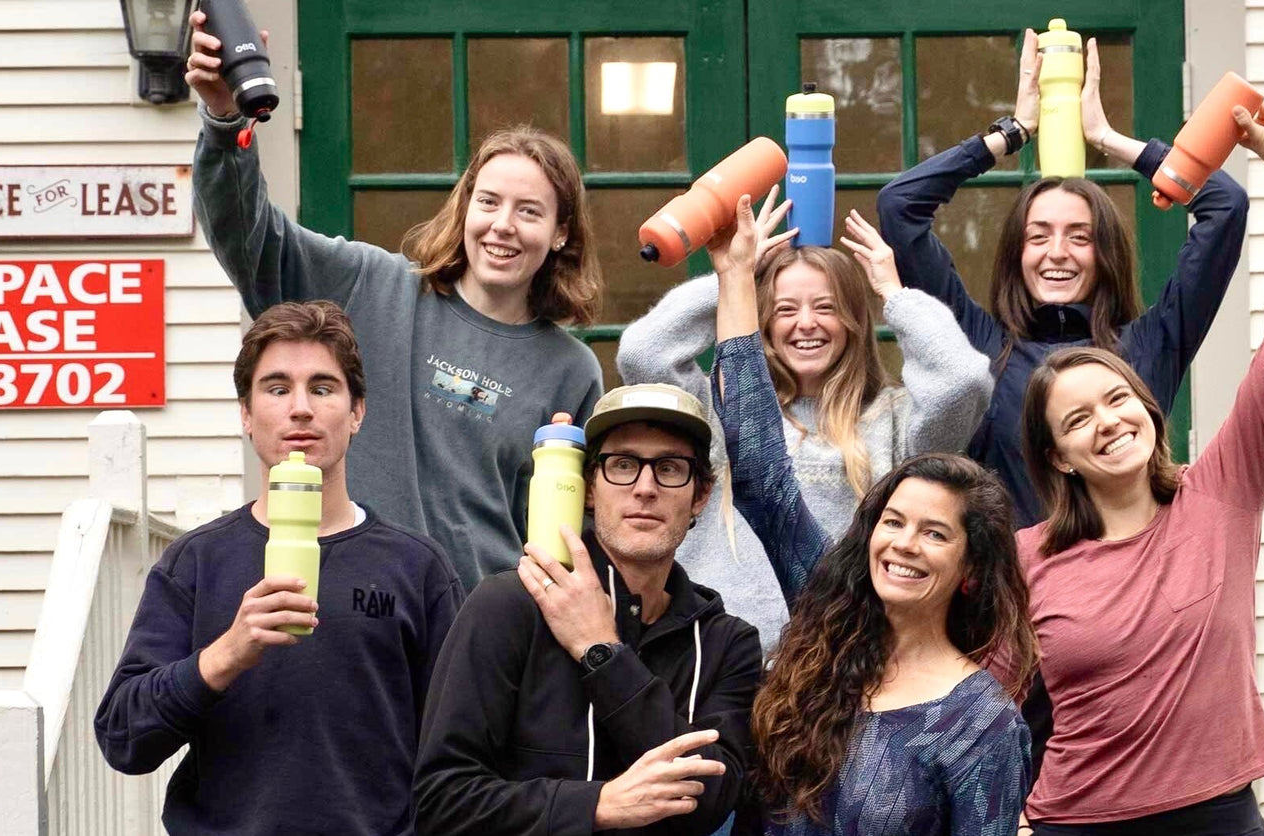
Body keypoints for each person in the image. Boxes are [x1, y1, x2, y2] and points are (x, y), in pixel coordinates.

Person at [185, 11, 604, 591]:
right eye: (488, 202)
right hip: (351, 607)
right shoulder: (369, 284)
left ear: (560, 234)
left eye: (529, 211)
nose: (502, 225)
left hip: (480, 624)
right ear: (465, 208)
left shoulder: (570, 371)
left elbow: (575, 536)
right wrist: (225, 121)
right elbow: (248, 238)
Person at [1007, 104, 1264, 835]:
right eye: (1077, 420)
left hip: (1219, 819)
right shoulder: (1025, 557)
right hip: (1074, 823)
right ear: (1057, 458)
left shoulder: (1221, 497)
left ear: (1147, 407)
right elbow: (979, 703)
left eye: (1117, 399)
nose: (1107, 422)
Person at [706, 197, 1039, 834]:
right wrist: (734, 279)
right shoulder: (823, 625)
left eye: (934, 532)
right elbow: (759, 470)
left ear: (970, 571)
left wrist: (893, 292)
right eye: (893, 521)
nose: (904, 543)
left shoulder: (981, 723)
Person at [94, 301, 465, 835]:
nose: (300, 409)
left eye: (322, 388)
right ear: (246, 415)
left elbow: (458, 756)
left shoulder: (417, 567)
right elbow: (123, 738)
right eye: (276, 388)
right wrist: (226, 654)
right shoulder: (197, 561)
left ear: (356, 412)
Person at [875, 29, 1253, 528]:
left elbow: (1225, 206)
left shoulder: (1149, 347)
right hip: (1012, 577)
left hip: (1128, 575)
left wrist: (1108, 139)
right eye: (1039, 236)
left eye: (1080, 236)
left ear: (1105, 254)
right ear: (1016, 254)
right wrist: (1012, 133)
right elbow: (900, 205)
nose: (1058, 252)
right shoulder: (982, 346)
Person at [618, 187, 992, 647]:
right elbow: (643, 353)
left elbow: (962, 381)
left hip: (837, 662)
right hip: (715, 660)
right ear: (763, 322)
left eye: (826, 307)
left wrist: (895, 295)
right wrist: (734, 276)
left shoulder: (895, 422)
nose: (806, 323)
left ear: (853, 321)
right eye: (785, 309)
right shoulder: (721, 410)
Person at [414, 383, 763, 836]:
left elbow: (712, 799)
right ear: (590, 488)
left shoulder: (728, 642)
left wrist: (601, 649)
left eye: (670, 468)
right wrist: (598, 805)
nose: (645, 488)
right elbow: (441, 801)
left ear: (700, 495)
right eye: (623, 465)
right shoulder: (508, 605)